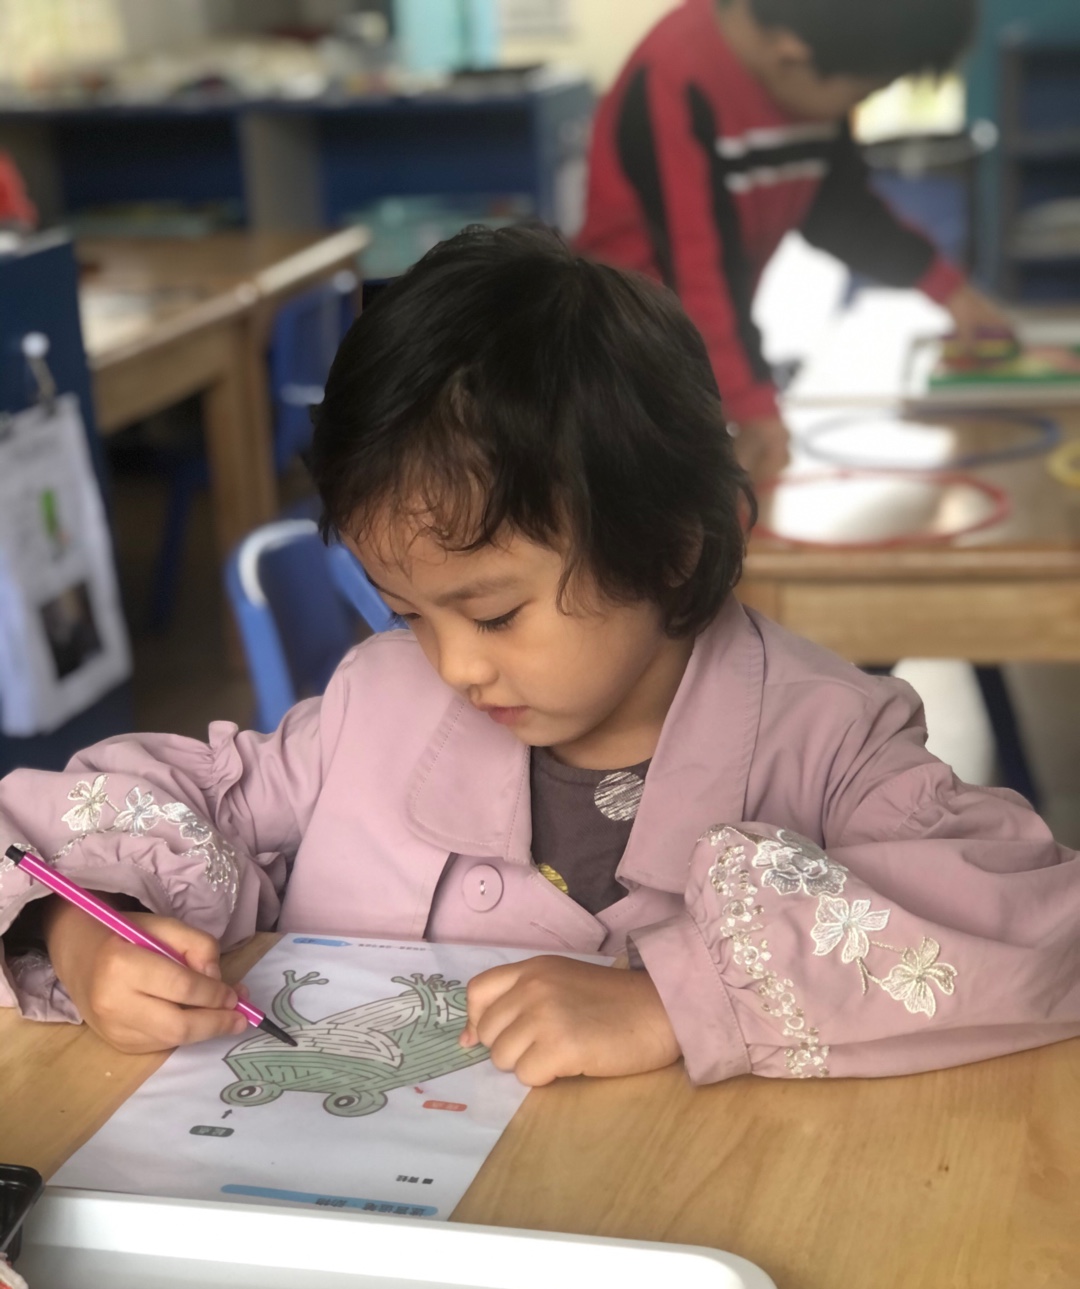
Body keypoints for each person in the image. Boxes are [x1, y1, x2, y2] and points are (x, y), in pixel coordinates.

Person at [1, 226, 1076, 1084]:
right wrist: (79, 934)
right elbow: (94, 822)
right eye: (408, 613)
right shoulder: (370, 710)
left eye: (494, 613)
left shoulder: (830, 743)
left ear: (666, 546)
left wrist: (675, 1002)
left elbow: (1039, 933)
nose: (453, 668)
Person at [576, 0, 1008, 485]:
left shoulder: (817, 63)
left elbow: (841, 212)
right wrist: (750, 401)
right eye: (863, 91)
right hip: (623, 356)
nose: (855, 106)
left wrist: (949, 288)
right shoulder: (675, 76)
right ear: (790, 54)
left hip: (707, 347)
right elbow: (697, 275)